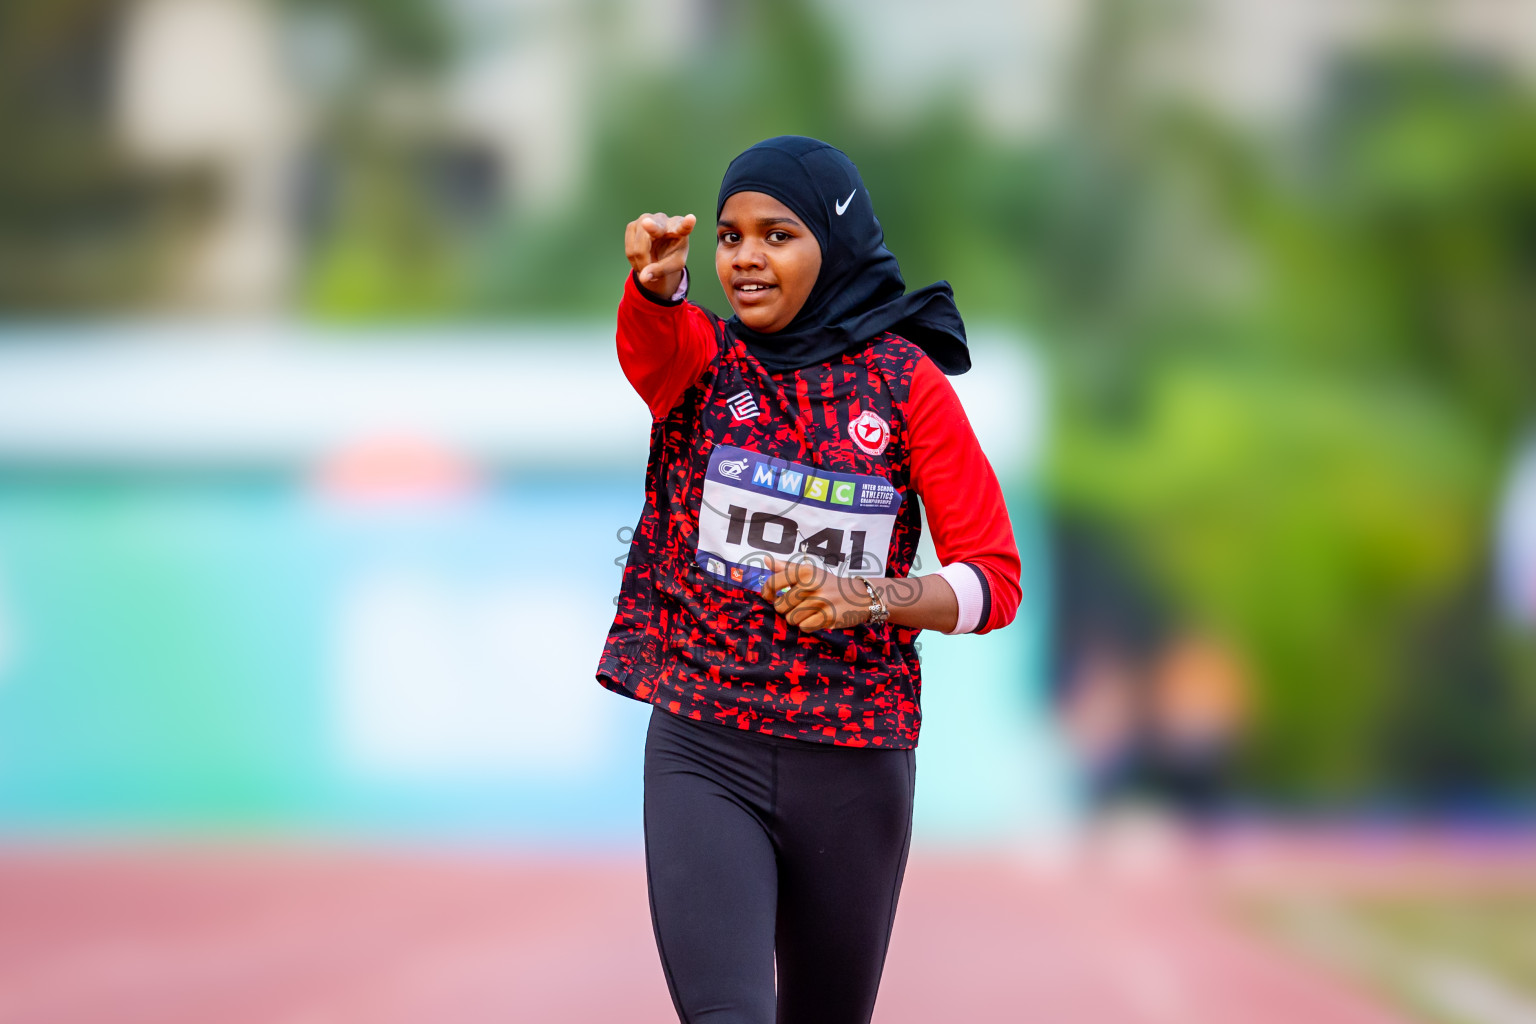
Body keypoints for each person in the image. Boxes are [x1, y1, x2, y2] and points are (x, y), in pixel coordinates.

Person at [595, 136, 1022, 1024]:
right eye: (729, 236)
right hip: (705, 743)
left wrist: (871, 596)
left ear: (834, 243)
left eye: (776, 234)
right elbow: (649, 344)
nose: (746, 256)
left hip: (854, 757)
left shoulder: (907, 387)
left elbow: (993, 580)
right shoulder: (703, 363)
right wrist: (657, 284)